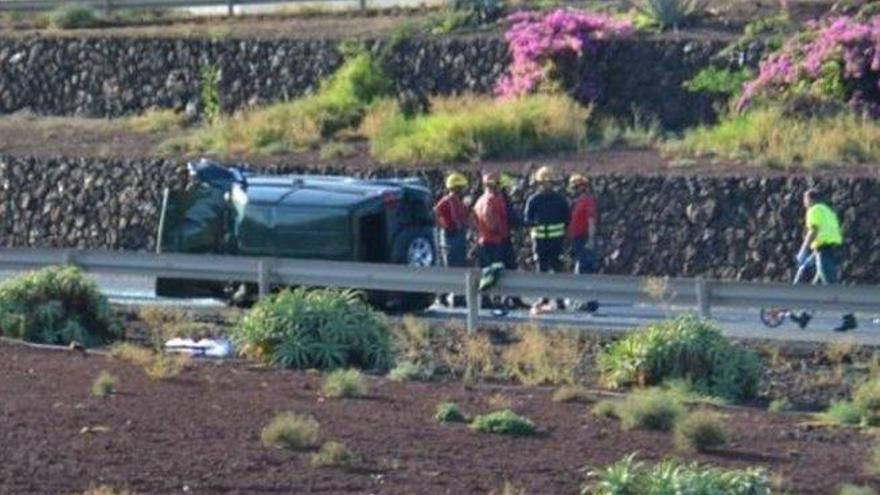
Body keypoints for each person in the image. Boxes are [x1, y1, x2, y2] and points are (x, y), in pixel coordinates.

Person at [791, 188, 857, 332]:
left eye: (805, 200)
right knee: (819, 286)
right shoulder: (828, 211)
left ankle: (849, 318)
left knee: (830, 285)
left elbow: (813, 231)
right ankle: (805, 317)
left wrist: (803, 250)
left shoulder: (813, 210)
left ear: (810, 199)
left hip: (823, 250)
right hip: (832, 249)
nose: (804, 203)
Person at [524, 165, 569, 314]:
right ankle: (544, 298)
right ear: (539, 183)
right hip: (541, 241)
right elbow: (527, 220)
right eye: (544, 182)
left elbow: (567, 219)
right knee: (542, 270)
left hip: (555, 241)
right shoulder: (534, 200)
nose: (547, 185)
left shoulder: (560, 200)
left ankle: (560, 300)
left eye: (549, 182)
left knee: (557, 270)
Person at [472, 171, 510, 309]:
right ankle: (495, 299)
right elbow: (490, 218)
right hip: (493, 241)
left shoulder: (480, 199)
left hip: (483, 240)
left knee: (486, 271)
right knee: (496, 271)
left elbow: (474, 220)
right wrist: (498, 230)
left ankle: (486, 300)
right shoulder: (492, 199)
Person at [433, 172, 470, 306]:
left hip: (459, 235)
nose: (461, 191)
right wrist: (445, 227)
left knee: (460, 266)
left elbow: (463, 217)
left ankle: (458, 297)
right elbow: (436, 213)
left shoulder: (459, 201)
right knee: (451, 267)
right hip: (450, 236)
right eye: (459, 188)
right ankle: (444, 296)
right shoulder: (446, 201)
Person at [567, 174, 600, 313]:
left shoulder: (587, 201)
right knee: (580, 271)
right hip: (577, 240)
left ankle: (589, 302)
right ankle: (585, 301)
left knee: (584, 271)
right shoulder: (579, 202)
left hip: (584, 239)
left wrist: (590, 240)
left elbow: (591, 221)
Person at [499, 172, 529, 310]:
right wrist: (525, 223)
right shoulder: (502, 199)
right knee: (509, 268)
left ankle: (508, 299)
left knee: (504, 269)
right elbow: (511, 218)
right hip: (502, 239)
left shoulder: (496, 197)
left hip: (499, 239)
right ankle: (510, 299)